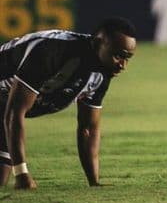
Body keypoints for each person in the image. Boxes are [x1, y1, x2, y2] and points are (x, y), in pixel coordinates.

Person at [0, 17, 137, 189]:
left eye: (128, 58)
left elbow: (88, 128)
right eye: (118, 56)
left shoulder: (101, 74)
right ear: (98, 42)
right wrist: (21, 174)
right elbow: (15, 112)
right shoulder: (52, 51)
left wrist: (94, 182)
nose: (123, 65)